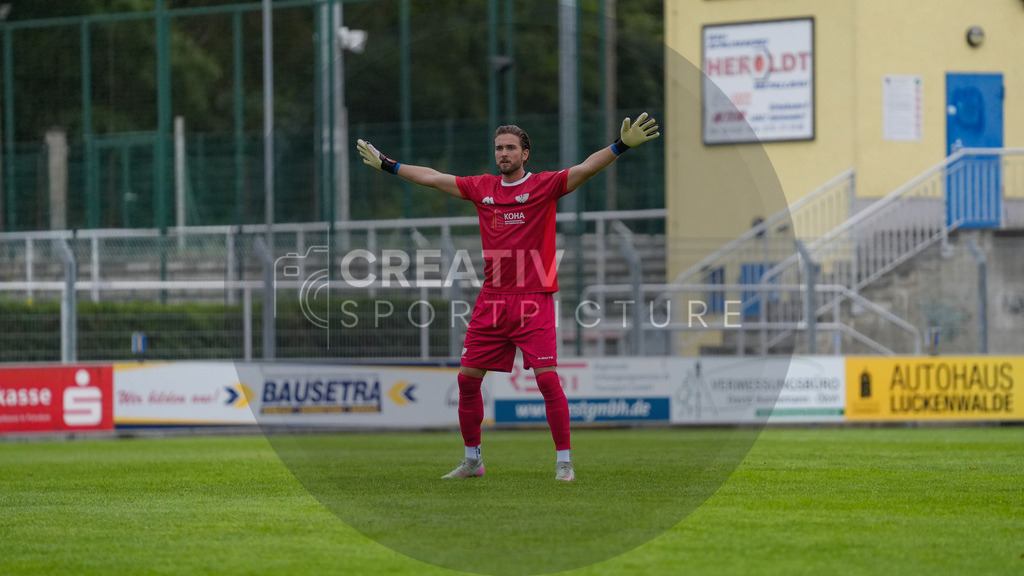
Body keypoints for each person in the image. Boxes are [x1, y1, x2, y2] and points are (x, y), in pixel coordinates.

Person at [356, 113, 660, 481]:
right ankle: (473, 460)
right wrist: (390, 166)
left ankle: (564, 461)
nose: (503, 153)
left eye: (510, 148)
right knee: (467, 381)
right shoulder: (482, 187)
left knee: (548, 381)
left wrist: (621, 145)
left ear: (525, 153)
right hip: (493, 300)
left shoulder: (545, 186)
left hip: (534, 298)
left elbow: (585, 169)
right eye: (499, 148)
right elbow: (435, 179)